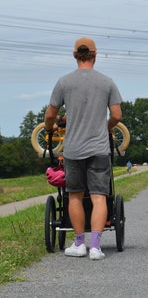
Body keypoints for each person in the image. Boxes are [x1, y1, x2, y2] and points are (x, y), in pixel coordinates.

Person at [44, 37, 122, 260]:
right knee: (99, 197)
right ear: (95, 55)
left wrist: (50, 128)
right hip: (98, 148)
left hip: (74, 149)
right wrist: (106, 127)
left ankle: (79, 244)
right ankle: (96, 247)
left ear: (74, 55)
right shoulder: (107, 82)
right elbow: (116, 115)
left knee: (74, 196)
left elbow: (50, 114)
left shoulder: (64, 82)